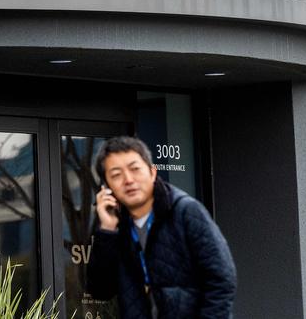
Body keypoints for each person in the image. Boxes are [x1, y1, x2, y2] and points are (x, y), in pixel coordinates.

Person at [86, 136, 237, 319]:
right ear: (107, 187)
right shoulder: (119, 228)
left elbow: (222, 281)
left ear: (153, 172)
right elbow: (101, 291)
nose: (128, 180)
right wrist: (108, 230)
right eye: (116, 175)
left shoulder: (185, 211)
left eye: (135, 169)